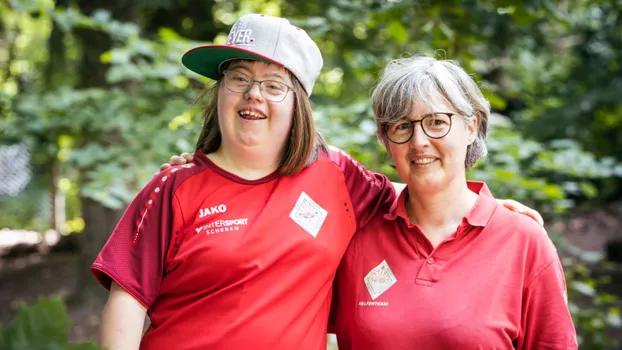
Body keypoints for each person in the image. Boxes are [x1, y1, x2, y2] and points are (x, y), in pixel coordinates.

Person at [95, 13, 543, 350]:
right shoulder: (174, 187)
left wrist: (489, 209)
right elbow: (128, 301)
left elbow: (421, 191)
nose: (253, 94)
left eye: (274, 85)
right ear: (220, 92)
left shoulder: (338, 177)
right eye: (239, 78)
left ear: (299, 105)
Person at [329, 56, 577, 349]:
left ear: (471, 127)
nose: (419, 140)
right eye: (401, 126)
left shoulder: (524, 242)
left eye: (436, 122)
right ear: (385, 140)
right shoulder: (356, 237)